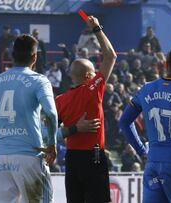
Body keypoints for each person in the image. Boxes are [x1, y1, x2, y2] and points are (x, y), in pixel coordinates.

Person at [0, 35, 58, 203]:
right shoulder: (39, 81)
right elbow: (51, 114)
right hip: (29, 157)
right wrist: (52, 143)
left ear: (12, 56)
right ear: (34, 57)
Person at [120, 44, 171, 203]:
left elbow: (125, 122)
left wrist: (142, 151)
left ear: (166, 64)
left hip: (153, 165)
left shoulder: (146, 89)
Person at [55, 16, 117, 203]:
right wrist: (96, 28)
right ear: (90, 75)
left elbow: (50, 134)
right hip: (94, 153)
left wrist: (73, 129)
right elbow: (111, 56)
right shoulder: (93, 88)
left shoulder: (60, 100)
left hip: (72, 158)